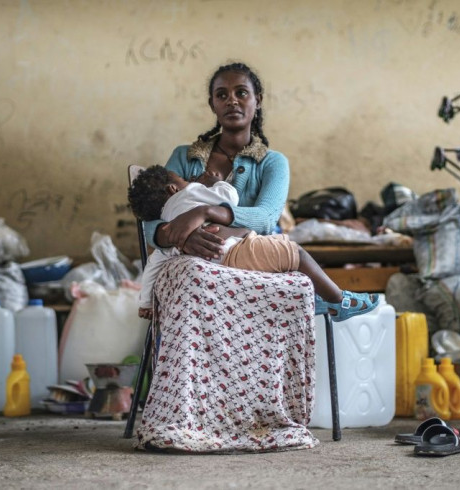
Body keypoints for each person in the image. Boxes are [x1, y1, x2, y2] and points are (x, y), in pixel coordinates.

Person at [133, 62, 321, 453]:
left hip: (244, 258)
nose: (232, 100)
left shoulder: (272, 162)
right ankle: (189, 415)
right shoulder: (184, 157)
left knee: (299, 284)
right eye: (222, 94)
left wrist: (204, 213)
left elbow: (267, 218)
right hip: (192, 262)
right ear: (212, 104)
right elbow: (154, 223)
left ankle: (259, 417)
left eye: (241, 93)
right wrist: (182, 239)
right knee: (191, 274)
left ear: (257, 101)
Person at [128, 164, 379, 320]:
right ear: (173, 189)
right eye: (182, 180)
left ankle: (317, 302)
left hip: (216, 277)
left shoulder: (170, 223)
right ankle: (340, 299)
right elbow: (230, 196)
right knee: (295, 254)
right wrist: (215, 182)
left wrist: (146, 302)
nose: (189, 181)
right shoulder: (192, 191)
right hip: (238, 252)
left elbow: (155, 262)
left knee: (283, 270)